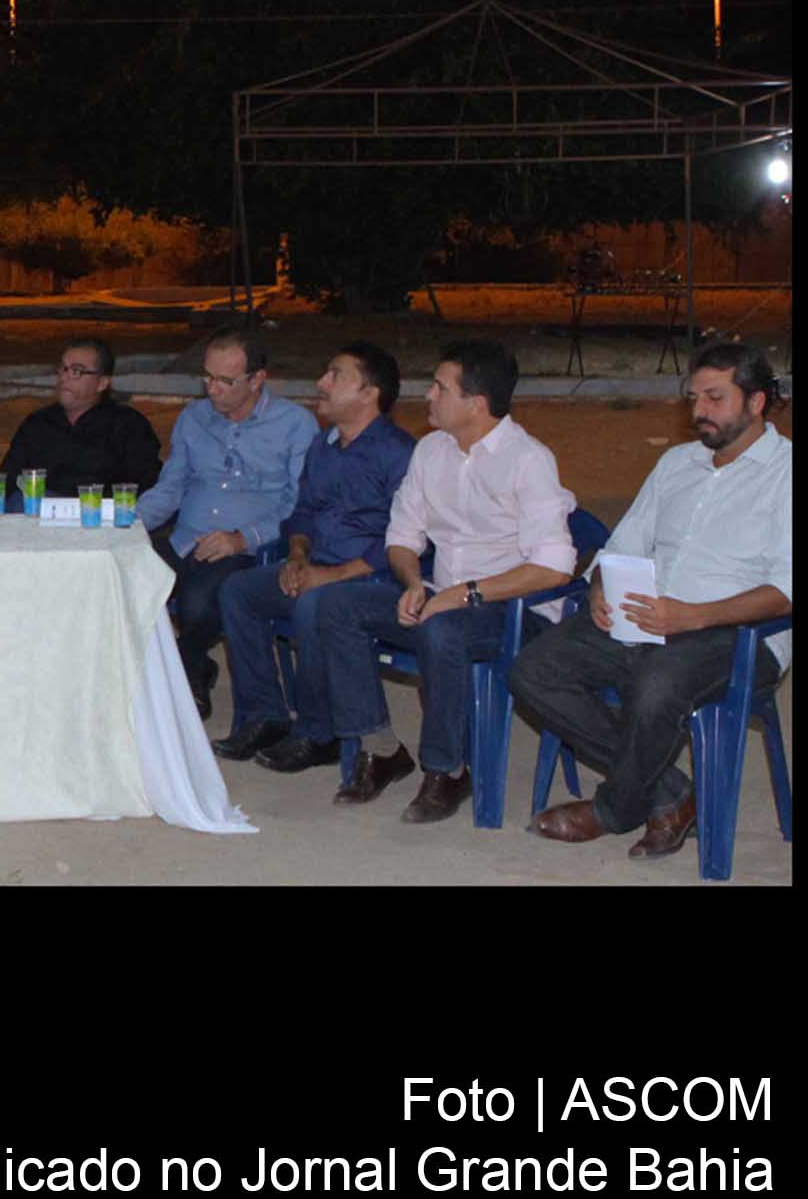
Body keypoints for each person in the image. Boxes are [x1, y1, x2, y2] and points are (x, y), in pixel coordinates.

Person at [511, 342, 791, 859]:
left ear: (756, 402)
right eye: (693, 398)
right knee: (534, 668)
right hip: (648, 615)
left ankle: (613, 809)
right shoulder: (677, 463)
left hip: (736, 632)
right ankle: (671, 794)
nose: (698, 411)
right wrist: (599, 586)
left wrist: (692, 616)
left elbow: (785, 591)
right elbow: (626, 542)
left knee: (657, 683)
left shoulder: (787, 474)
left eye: (714, 397)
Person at [318, 341, 576, 823]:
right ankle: (381, 749)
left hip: (514, 610)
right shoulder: (431, 450)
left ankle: (447, 769)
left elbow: (554, 567)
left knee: (443, 630)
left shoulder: (528, 460)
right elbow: (401, 536)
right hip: (442, 595)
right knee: (338, 604)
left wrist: (464, 594)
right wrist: (413, 581)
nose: (428, 395)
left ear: (475, 403)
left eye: (440, 387)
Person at [211, 344, 416, 768]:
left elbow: (406, 537)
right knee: (237, 590)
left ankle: (318, 732)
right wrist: (298, 557)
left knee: (312, 605)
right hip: (317, 566)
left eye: (335, 375)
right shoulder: (324, 446)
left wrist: (333, 574)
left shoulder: (399, 453)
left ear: (368, 393)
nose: (321, 383)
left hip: (369, 578)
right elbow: (302, 513)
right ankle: (265, 715)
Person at [132, 328, 318, 720]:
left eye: (225, 381)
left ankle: (184, 667)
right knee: (125, 577)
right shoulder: (193, 418)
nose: (212, 389)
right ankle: (190, 667)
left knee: (201, 603)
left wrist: (242, 539)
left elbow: (298, 503)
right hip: (185, 537)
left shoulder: (295, 424)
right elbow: (172, 486)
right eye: (207, 377)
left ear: (257, 380)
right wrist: (128, 524)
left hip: (248, 547)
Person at [0, 337, 162, 498]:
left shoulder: (129, 426)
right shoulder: (37, 424)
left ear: (102, 383)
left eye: (76, 371)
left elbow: (148, 489)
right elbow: (5, 483)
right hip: (38, 519)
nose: (64, 377)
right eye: (62, 369)